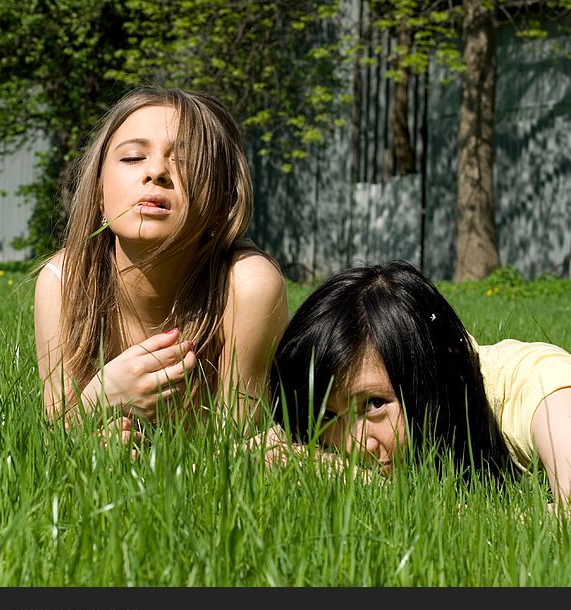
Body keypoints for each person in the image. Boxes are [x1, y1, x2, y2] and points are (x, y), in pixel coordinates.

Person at [35, 87, 288, 434]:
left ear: (221, 203)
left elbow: (237, 451)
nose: (156, 171)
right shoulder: (64, 281)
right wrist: (100, 401)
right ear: (99, 196)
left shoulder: (247, 288)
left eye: (185, 161)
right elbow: (52, 437)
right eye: (133, 157)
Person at [269, 260, 571, 506]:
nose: (354, 447)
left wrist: (383, 493)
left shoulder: (541, 387)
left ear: (430, 374)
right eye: (328, 415)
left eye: (374, 404)